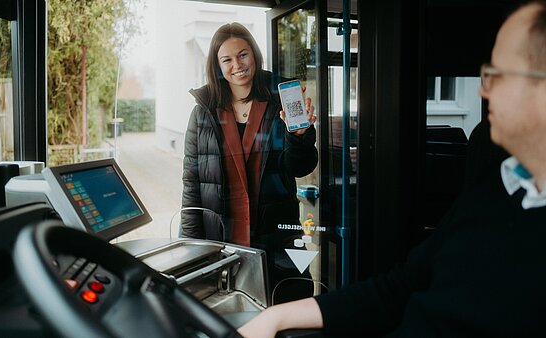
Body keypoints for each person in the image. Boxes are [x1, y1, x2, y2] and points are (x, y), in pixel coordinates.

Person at [238, 1, 546, 337]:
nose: (483, 89)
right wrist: (275, 318)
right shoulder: (495, 184)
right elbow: (398, 287)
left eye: (496, 75)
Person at [180, 22, 318, 301]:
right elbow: (191, 184)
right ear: (217, 66)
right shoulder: (203, 113)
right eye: (227, 59)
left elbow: (300, 168)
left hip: (275, 238)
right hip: (221, 239)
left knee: (289, 305)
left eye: (243, 55)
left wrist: (300, 137)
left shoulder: (279, 101)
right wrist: (189, 247)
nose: (237, 65)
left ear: (254, 54)